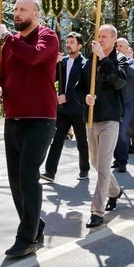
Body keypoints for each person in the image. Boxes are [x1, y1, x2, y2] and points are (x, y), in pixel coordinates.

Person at [0, 0, 59, 258]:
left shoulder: (47, 36)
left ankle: (26, 238)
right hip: (14, 118)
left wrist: (8, 37)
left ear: (35, 14)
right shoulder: (9, 44)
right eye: (15, 8)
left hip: (41, 118)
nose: (17, 13)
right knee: (16, 180)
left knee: (28, 175)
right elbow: (3, 77)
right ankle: (34, 225)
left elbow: (33, 57)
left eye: (23, 9)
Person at [83, 25, 128, 227]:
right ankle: (115, 191)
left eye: (104, 37)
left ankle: (97, 211)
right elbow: (79, 87)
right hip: (91, 118)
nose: (100, 39)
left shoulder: (121, 60)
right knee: (95, 162)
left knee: (103, 166)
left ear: (114, 39)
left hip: (110, 119)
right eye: (98, 36)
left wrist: (103, 58)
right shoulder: (90, 60)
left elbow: (119, 82)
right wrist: (85, 98)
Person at [41, 32, 89, 182]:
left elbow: (85, 87)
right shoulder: (62, 61)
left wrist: (68, 96)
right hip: (62, 109)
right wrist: (55, 64)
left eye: (72, 42)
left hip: (78, 109)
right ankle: (50, 172)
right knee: (57, 140)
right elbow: (52, 78)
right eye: (67, 42)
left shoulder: (85, 64)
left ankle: (84, 169)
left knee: (81, 141)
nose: (68, 45)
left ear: (79, 46)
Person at [113, 37, 134, 173]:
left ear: (127, 49)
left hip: (128, 103)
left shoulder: (133, 63)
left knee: (123, 132)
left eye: (121, 46)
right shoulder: (111, 60)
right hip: (114, 102)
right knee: (114, 132)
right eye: (117, 46)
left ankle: (123, 161)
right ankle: (117, 158)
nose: (118, 48)